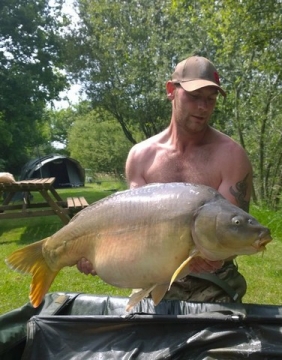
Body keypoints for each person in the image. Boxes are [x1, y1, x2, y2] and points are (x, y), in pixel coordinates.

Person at [77, 56, 253, 303]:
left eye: (210, 99)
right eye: (194, 96)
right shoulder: (141, 156)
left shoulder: (232, 156)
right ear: (171, 90)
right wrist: (99, 254)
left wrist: (216, 255)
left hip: (214, 286)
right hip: (152, 281)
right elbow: (133, 232)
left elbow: (233, 232)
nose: (203, 107)